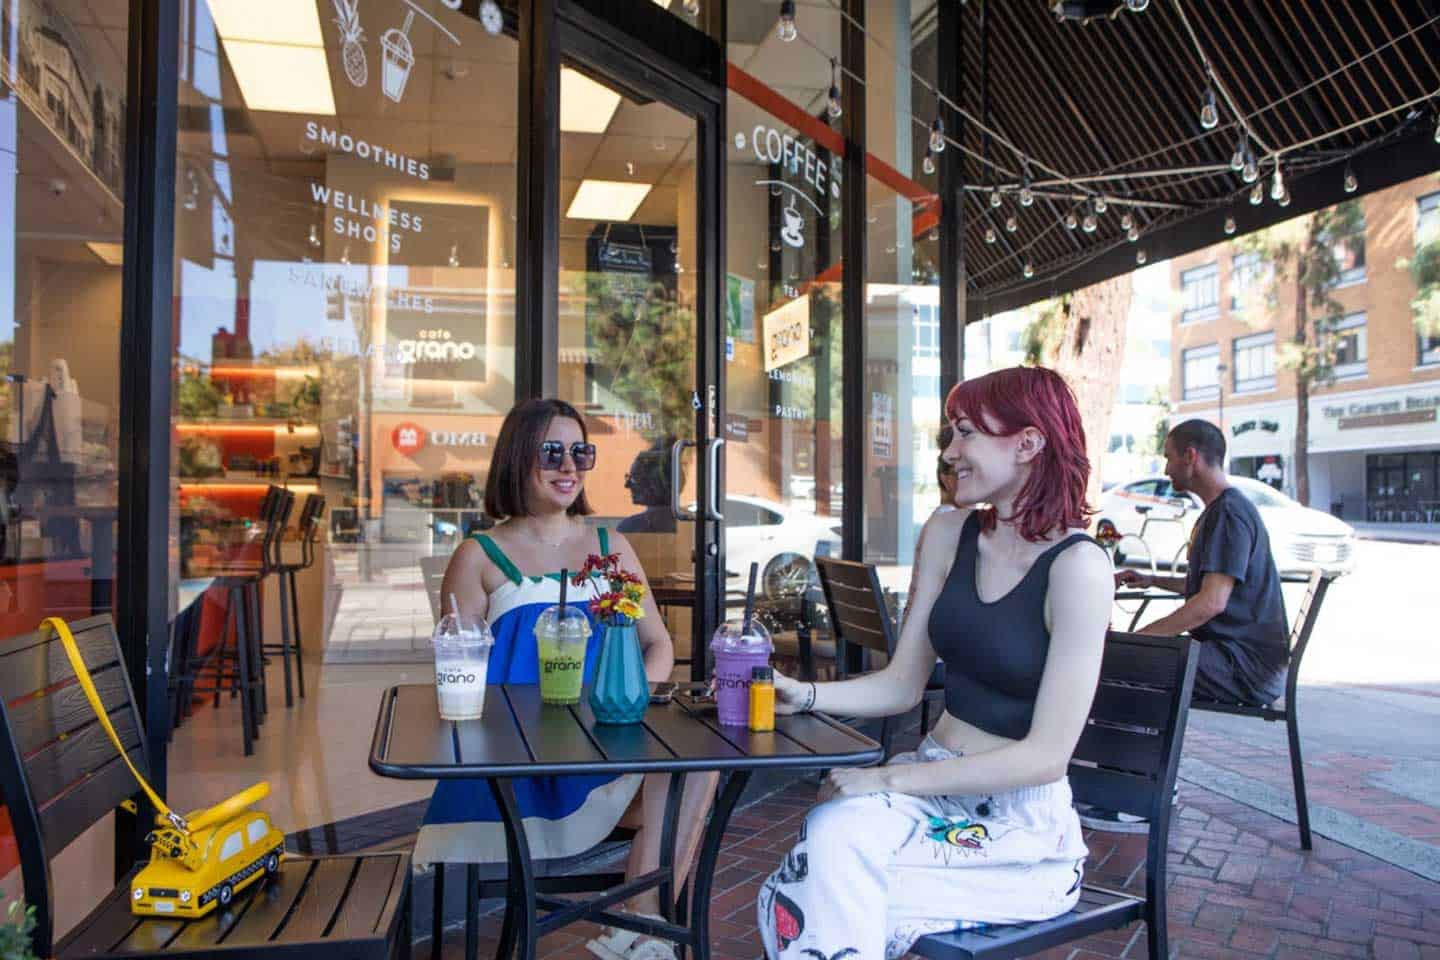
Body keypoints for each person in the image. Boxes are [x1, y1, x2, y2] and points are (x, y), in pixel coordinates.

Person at [755, 367, 1113, 960]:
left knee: (824, 878)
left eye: (966, 432)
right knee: (830, 850)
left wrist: (886, 778)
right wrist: (806, 694)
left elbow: (1047, 758)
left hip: (1018, 833)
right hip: (932, 784)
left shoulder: (1078, 568)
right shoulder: (948, 532)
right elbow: (902, 684)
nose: (950, 453)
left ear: (1027, 443)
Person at [421, 398, 715, 960]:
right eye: (550, 451)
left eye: (580, 451)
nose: (568, 466)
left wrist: (623, 702)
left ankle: (639, 923)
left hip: (606, 750)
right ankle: (641, 929)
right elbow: (459, 668)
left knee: (702, 766)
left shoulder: (611, 548)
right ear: (516, 458)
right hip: (525, 764)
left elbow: (658, 644)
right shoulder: (479, 556)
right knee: (687, 775)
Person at [1083, 419, 1289, 834]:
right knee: (1133, 659)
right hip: (1238, 660)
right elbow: (1213, 584)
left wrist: (1135, 642)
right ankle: (1145, 784)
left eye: (1169, 457)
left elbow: (1211, 603)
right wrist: (1153, 579)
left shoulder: (1229, 514)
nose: (1165, 469)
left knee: (1128, 664)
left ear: (1191, 457)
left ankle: (1135, 797)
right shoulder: (1226, 510)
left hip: (1244, 669)